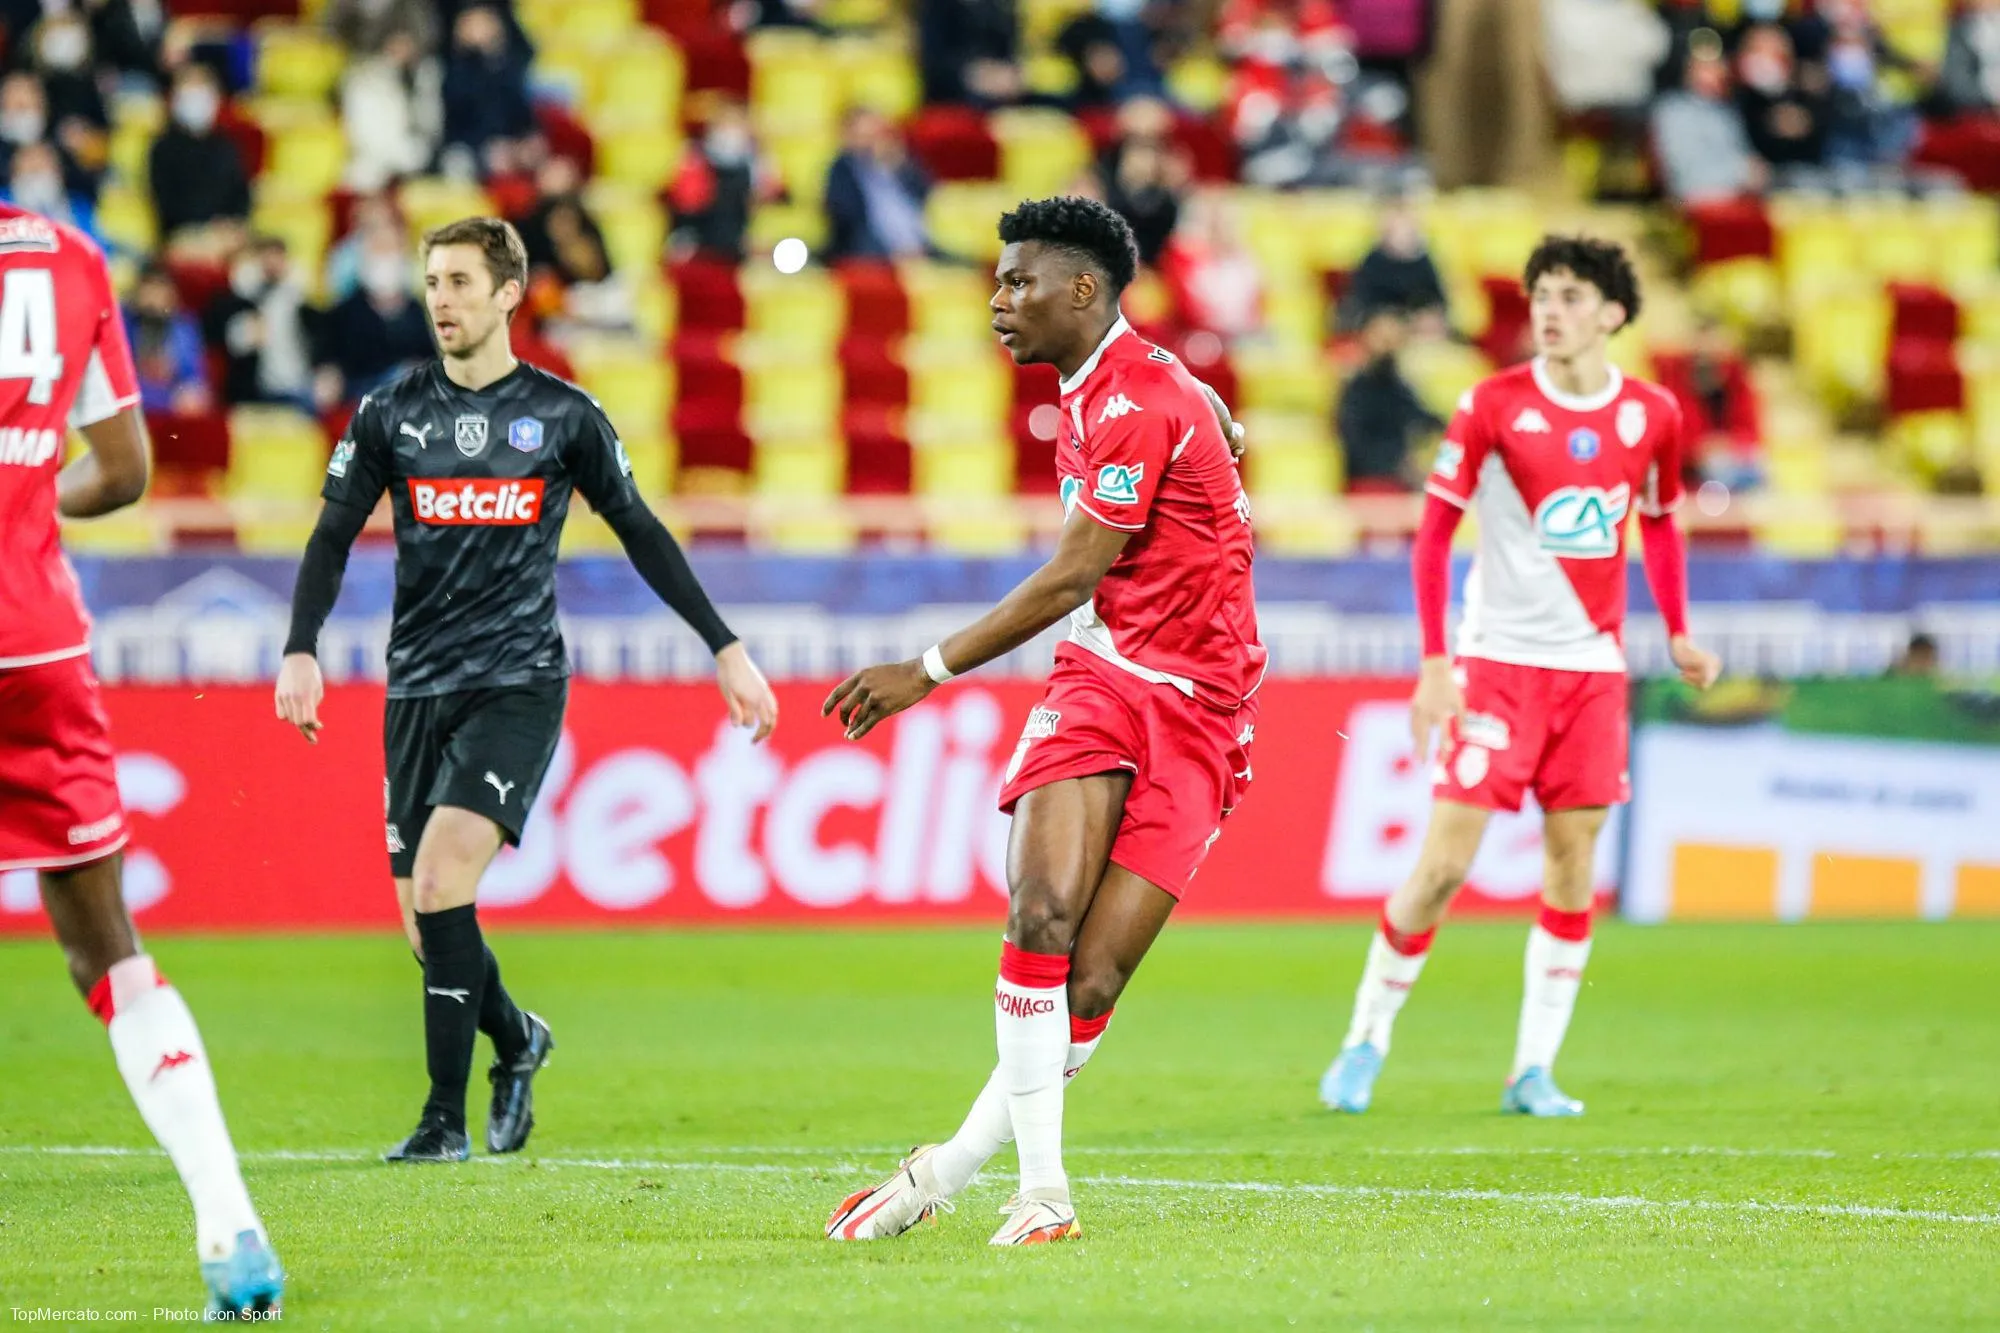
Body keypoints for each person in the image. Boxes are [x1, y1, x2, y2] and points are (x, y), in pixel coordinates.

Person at [274, 217, 778, 1163]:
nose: (442, 299)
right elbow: (330, 536)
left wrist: (724, 645)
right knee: (431, 933)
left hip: (517, 683)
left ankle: (440, 1120)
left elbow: (641, 529)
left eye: (461, 280)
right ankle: (518, 1040)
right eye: (432, 282)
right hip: (414, 689)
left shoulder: (564, 417)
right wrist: (300, 646)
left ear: (510, 292)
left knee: (437, 881)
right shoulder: (390, 415)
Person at [822, 196, 1260, 1246]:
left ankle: (947, 1166)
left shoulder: (1138, 399)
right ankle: (1044, 1193)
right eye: (995, 280)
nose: (996, 299)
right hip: (1104, 682)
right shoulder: (1110, 390)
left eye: (1017, 281)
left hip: (1205, 712)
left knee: (1095, 977)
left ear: (1082, 289)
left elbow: (1071, 573)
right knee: (1041, 919)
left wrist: (922, 669)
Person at [1317, 235, 1722, 1118]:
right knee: (1442, 867)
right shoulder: (1493, 405)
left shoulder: (1651, 413)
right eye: (1542, 292)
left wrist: (1681, 632)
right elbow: (1431, 535)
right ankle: (1365, 1039)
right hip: (1497, 666)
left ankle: (1532, 1068)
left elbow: (1657, 523)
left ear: (1612, 313)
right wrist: (1435, 662)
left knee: (1572, 862)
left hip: (1593, 673)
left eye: (1571, 295)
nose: (1549, 308)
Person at [0, 203, 282, 1315]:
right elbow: (121, 470)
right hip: (40, 644)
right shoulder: (69, 258)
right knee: (108, 952)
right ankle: (231, 1228)